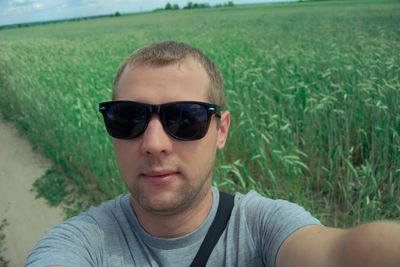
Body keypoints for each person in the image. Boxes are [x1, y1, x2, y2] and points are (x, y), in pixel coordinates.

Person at [25, 41, 400, 267]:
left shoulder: (264, 228)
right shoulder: (80, 243)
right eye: (128, 118)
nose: (154, 143)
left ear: (221, 130)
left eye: (184, 118)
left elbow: (339, 254)